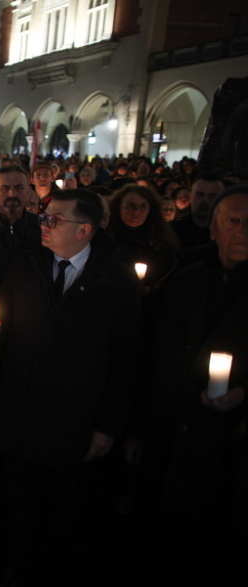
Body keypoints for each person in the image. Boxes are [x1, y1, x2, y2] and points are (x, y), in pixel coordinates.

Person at [0, 188, 142, 586]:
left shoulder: (116, 281)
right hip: (21, 410)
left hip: (74, 419)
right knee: (19, 500)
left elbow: (127, 361)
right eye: (43, 216)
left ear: (84, 230)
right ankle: (17, 564)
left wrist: (107, 426)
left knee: (64, 507)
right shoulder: (25, 265)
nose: (43, 224)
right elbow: (1, 329)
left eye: (54, 219)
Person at [144, 185, 248, 586]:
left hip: (231, 443)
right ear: (214, 230)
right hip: (174, 428)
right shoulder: (187, 279)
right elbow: (156, 351)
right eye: (233, 221)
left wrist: (243, 393)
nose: (243, 231)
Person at [171, 173, 226, 249]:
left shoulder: (229, 232)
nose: (206, 201)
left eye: (212, 196)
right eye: (200, 194)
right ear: (190, 197)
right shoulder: (171, 231)